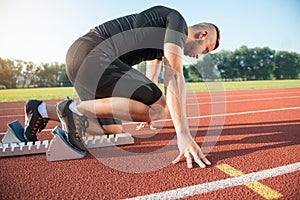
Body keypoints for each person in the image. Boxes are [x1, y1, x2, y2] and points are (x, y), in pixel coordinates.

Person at [23, 5, 220, 169]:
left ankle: (41, 111)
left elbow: (155, 67)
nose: (200, 55)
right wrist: (183, 134)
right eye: (206, 50)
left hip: (80, 59)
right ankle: (73, 109)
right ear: (202, 35)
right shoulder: (178, 23)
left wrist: (144, 107)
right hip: (93, 56)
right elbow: (174, 75)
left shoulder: (165, 36)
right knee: (160, 109)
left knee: (111, 130)